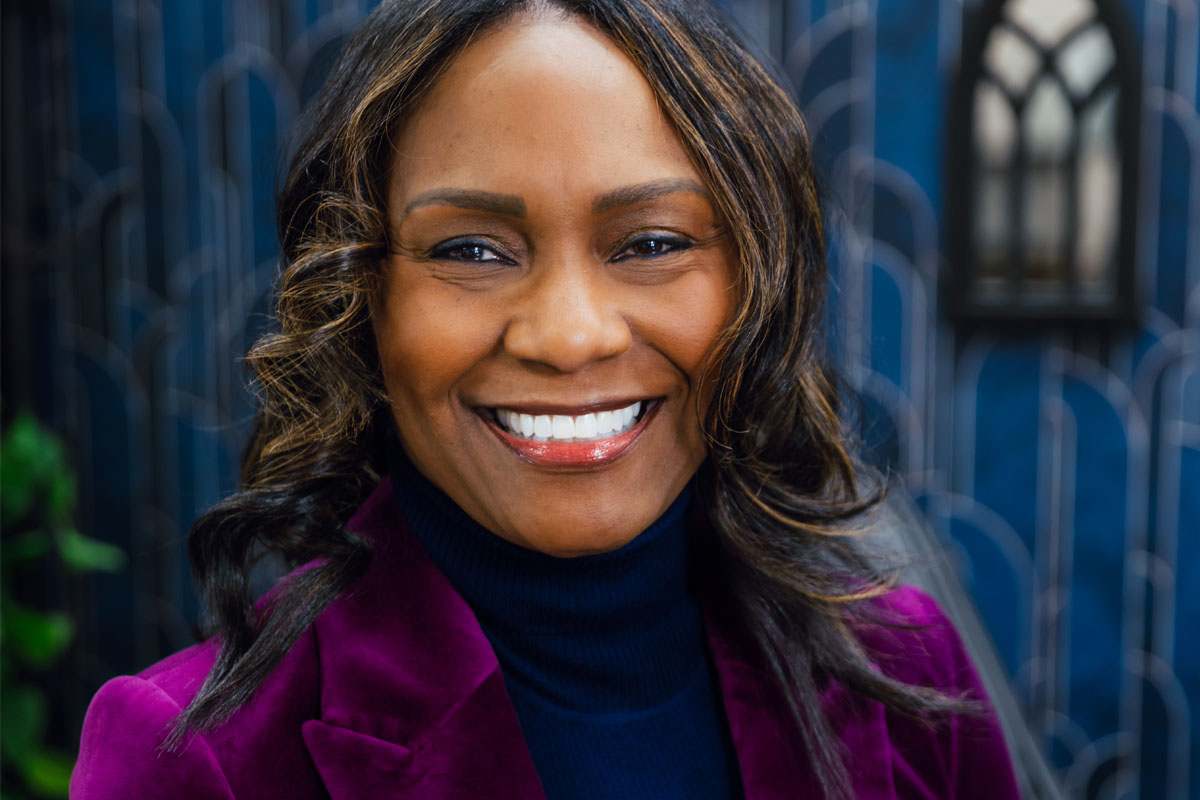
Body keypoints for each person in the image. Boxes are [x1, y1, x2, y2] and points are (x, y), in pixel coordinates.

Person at [71, 1, 1021, 798]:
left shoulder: (909, 671)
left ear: (755, 287)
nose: (569, 337)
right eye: (471, 250)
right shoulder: (194, 762)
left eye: (650, 243)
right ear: (361, 300)